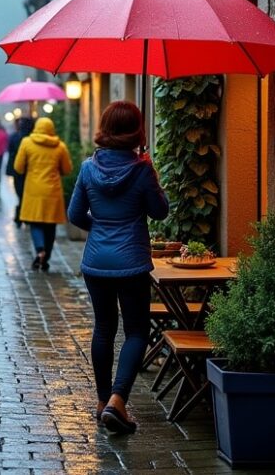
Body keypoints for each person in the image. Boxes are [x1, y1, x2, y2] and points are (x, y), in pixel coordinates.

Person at [67, 101, 169, 436]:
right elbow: (159, 212)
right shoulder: (141, 170)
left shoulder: (88, 168)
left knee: (104, 328)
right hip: (132, 263)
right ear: (136, 130)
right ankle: (117, 400)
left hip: (96, 263)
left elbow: (75, 215)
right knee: (137, 331)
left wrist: (99, 228)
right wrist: (152, 175)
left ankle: (102, 401)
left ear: (105, 128)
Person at [12, 117, 72, 272]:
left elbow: (18, 167)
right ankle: (46, 257)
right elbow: (67, 169)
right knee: (50, 225)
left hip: (33, 190)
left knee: (35, 222)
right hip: (52, 191)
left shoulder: (26, 143)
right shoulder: (60, 146)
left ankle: (40, 250)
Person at [5, 117, 35, 227]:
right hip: (30, 170)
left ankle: (20, 215)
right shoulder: (32, 138)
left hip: (17, 170)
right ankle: (24, 215)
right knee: (27, 193)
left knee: (20, 192)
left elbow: (10, 150)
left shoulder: (15, 137)